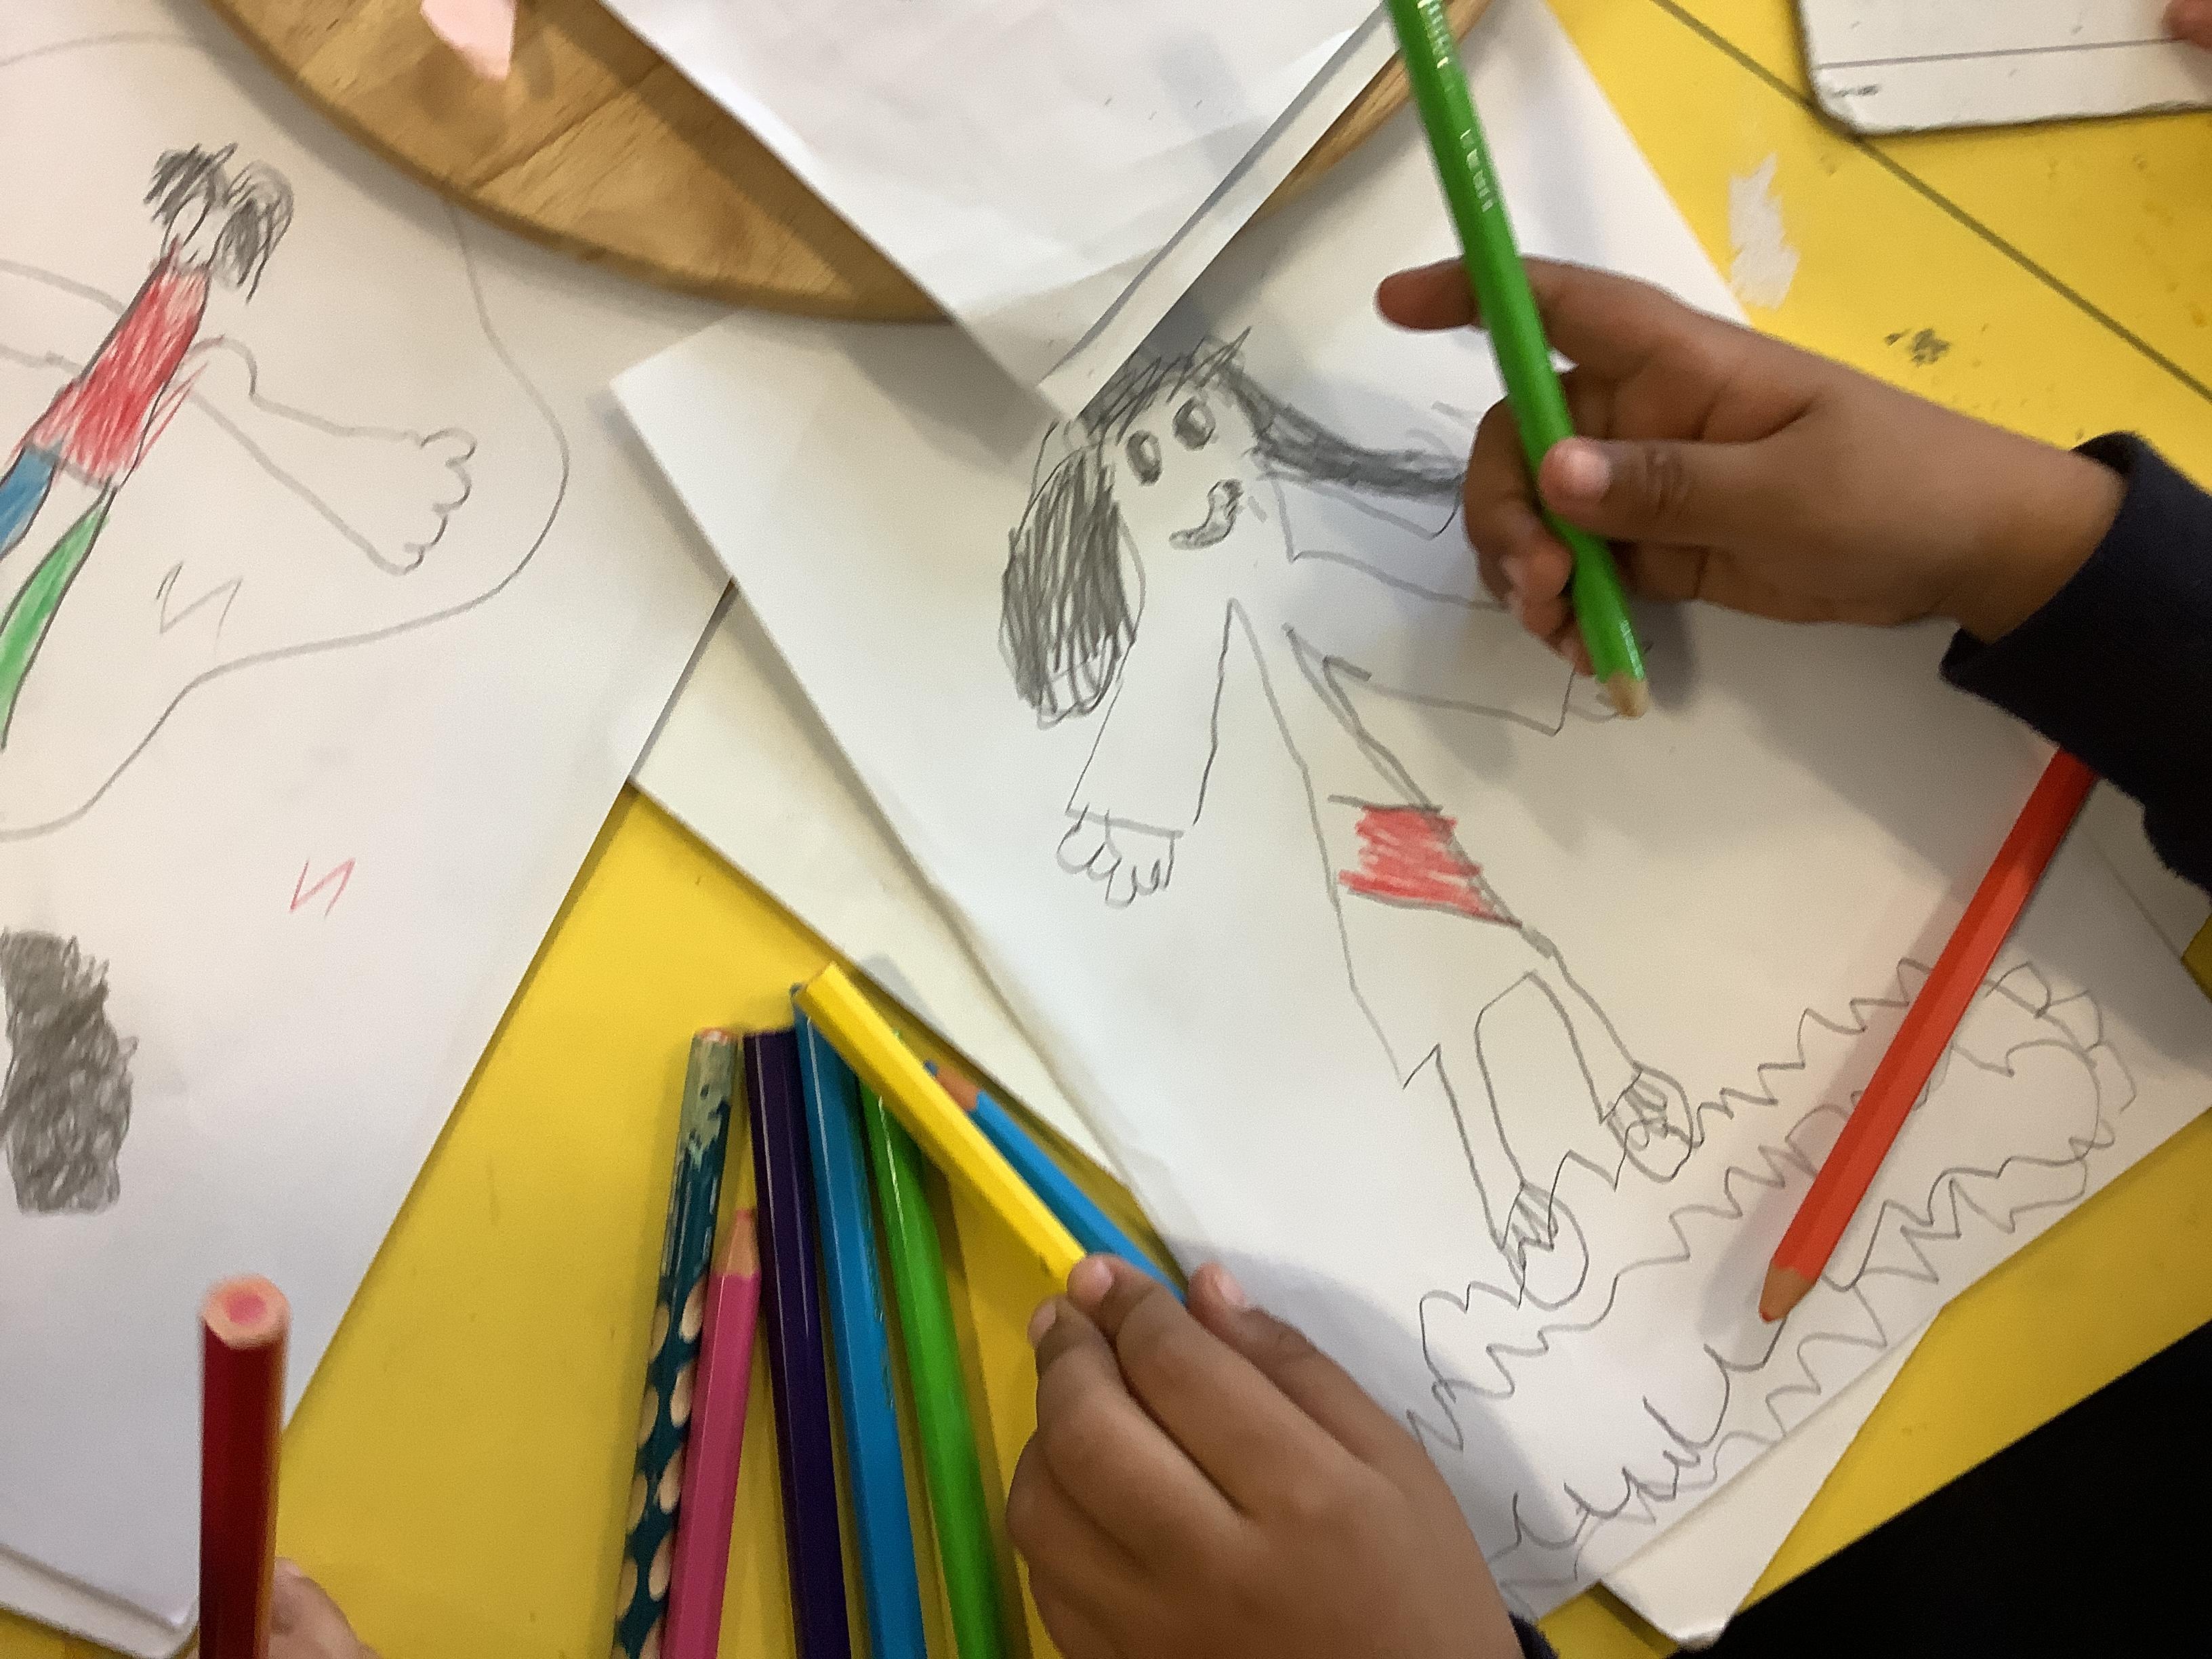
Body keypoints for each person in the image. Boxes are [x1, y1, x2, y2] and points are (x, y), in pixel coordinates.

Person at [1006, 253, 2210, 1659]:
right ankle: (1523, 1188)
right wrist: (2042, 546)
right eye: (1151, 459)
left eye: (1193, 428)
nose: (1191, 469)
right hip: (1354, 838)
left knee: (1510, 967)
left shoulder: (1298, 560)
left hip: (1384, 828)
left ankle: (1611, 1103)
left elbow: (1338, 639)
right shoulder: (1230, 594)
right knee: (1444, 1022)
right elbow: (1209, 699)